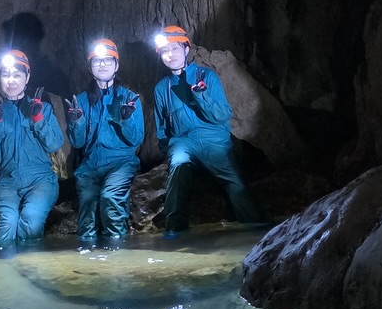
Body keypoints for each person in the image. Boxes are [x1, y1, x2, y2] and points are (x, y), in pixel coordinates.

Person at [151, 25, 264, 235]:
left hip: (213, 138)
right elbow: (162, 129)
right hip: (182, 142)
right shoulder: (161, 88)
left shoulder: (207, 76)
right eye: (165, 51)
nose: (170, 55)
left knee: (234, 182)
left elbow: (222, 115)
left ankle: (256, 230)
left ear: (186, 49)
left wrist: (201, 96)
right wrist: (168, 148)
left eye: (174, 49)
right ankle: (174, 232)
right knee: (178, 166)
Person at [0, 49, 64, 250]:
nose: (11, 80)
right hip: (7, 182)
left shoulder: (42, 108)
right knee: (7, 225)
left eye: (17, 75)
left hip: (41, 181)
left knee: (30, 220)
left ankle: (30, 272)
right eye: (5, 75)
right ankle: (5, 274)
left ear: (27, 78)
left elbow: (54, 144)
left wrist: (38, 119)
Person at [67, 38, 144, 243]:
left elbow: (136, 140)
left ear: (117, 65)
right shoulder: (81, 100)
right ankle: (87, 262)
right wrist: (78, 121)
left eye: (108, 61)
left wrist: (126, 119)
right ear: (90, 66)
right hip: (90, 165)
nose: (102, 65)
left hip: (121, 162)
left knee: (110, 198)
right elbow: (77, 143)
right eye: (97, 61)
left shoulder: (129, 98)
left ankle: (117, 252)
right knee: (88, 205)